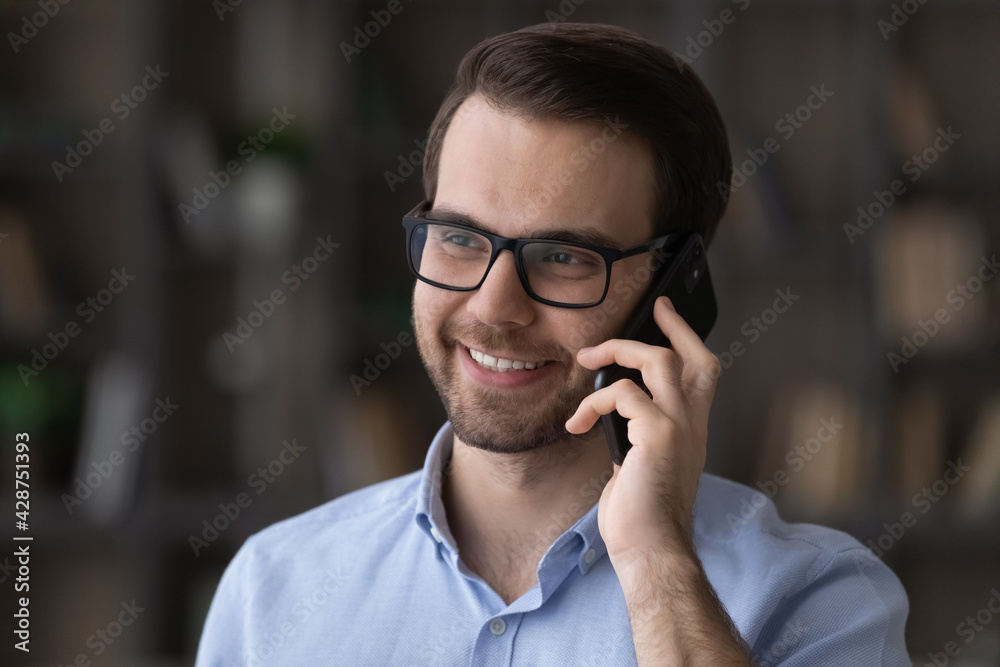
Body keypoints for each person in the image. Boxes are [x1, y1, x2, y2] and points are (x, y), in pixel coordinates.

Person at [196, 22, 909, 666]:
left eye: (564, 256)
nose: (494, 306)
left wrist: (657, 559)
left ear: (675, 288)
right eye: (458, 238)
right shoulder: (272, 589)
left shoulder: (821, 600)